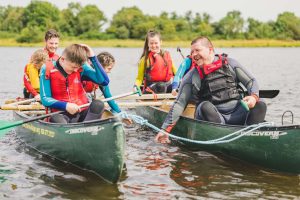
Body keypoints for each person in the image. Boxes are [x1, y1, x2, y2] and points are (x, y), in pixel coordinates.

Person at [155, 36, 267, 143]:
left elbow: (251, 81)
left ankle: (249, 137)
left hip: (238, 113)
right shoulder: (191, 77)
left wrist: (253, 97)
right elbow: (179, 104)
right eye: (192, 52)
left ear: (210, 49)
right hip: (214, 119)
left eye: (197, 50)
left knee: (260, 103)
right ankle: (224, 137)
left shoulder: (231, 64)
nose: (194, 55)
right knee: (204, 106)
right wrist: (164, 130)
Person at [40, 44, 109, 123]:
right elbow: (45, 99)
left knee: (98, 104)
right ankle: (72, 131)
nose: (76, 70)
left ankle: (86, 128)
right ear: (62, 59)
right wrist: (66, 106)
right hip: (61, 114)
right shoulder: (47, 68)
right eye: (73, 67)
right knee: (56, 119)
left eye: (78, 67)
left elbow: (104, 81)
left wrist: (92, 57)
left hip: (83, 112)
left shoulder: (82, 68)